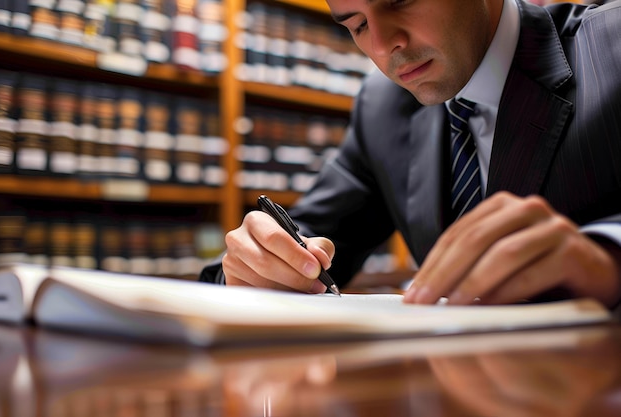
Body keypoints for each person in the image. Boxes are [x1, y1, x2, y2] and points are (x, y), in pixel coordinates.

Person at [201, 0, 621, 310]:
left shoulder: (612, 47)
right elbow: (308, 241)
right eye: (358, 25)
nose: (384, 47)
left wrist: (606, 261)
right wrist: (252, 268)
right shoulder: (382, 107)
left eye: (400, 2)